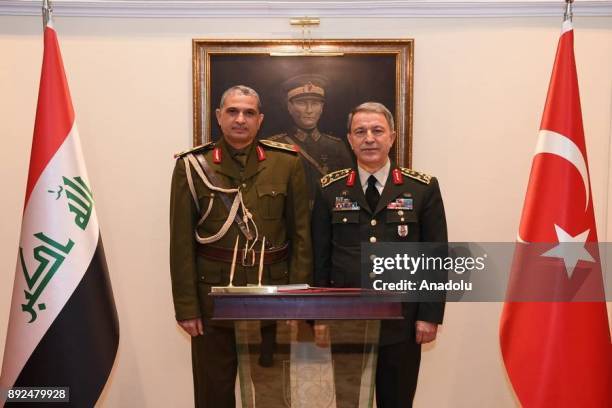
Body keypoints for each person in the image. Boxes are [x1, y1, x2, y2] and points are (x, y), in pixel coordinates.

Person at [169, 85, 312, 407]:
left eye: (249, 113)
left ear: (260, 119)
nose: (240, 119)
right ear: (219, 116)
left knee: (271, 389)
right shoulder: (192, 165)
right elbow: (180, 244)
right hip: (212, 298)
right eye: (232, 111)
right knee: (213, 390)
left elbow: (301, 234)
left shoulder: (286, 163)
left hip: (272, 296)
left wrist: (297, 297)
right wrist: (187, 307)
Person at [311, 102, 448, 407]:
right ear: (350, 139)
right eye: (360, 131)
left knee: (397, 400)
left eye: (377, 131)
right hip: (345, 319)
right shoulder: (329, 190)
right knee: (349, 401)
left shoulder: (422, 188)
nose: (369, 138)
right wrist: (318, 315)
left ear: (392, 137)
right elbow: (320, 257)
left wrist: (429, 316)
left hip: (402, 320)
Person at [269, 74, 353, 205]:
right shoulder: (275, 145)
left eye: (315, 103)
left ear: (322, 108)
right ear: (289, 107)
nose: (309, 110)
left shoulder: (336, 146)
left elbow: (349, 190)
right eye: (301, 103)